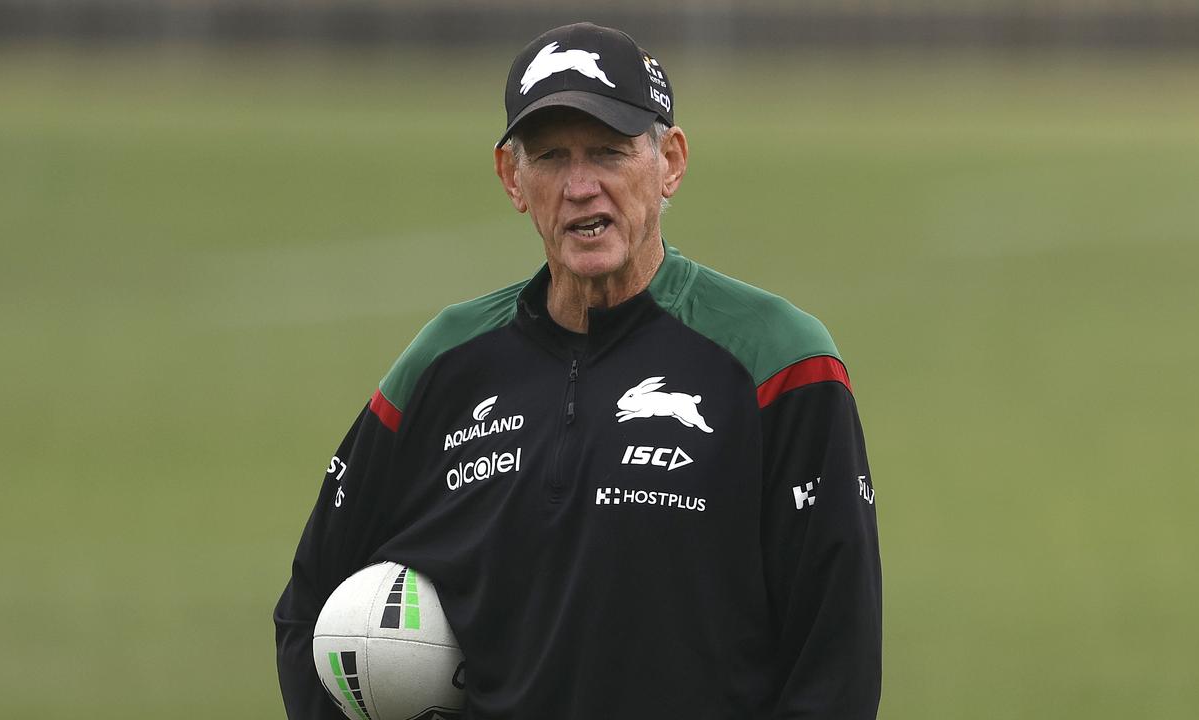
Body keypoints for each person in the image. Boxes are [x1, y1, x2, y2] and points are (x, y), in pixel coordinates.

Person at [275, 21, 881, 719]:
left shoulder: (777, 361)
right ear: (513, 177)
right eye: (552, 157)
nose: (581, 186)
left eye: (609, 152)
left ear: (670, 162)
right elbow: (310, 605)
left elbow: (836, 661)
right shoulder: (445, 363)